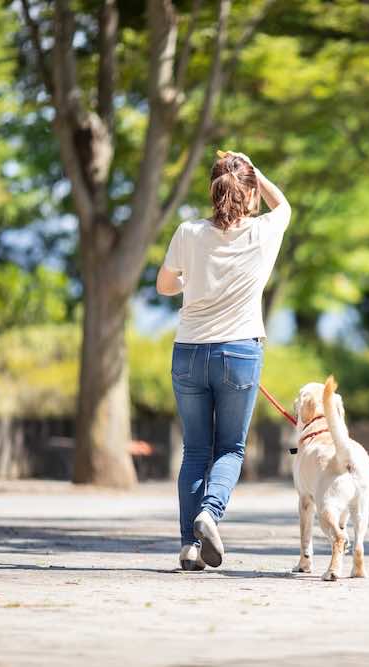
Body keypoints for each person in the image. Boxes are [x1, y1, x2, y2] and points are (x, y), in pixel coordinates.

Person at [156, 151, 290, 571]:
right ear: (249, 193)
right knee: (230, 448)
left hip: (189, 351)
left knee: (195, 449)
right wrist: (255, 171)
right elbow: (283, 205)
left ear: (213, 191)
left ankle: (188, 546)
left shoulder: (188, 232)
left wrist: (193, 280)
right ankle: (210, 514)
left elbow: (164, 286)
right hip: (239, 353)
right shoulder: (263, 232)